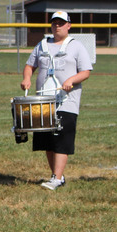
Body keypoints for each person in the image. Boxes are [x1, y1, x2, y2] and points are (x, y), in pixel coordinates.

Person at [21, 10, 92, 190]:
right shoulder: (42, 44)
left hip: (66, 101)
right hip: (44, 99)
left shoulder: (76, 46)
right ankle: (57, 176)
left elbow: (85, 72)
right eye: (54, 23)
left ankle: (56, 177)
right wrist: (27, 78)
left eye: (61, 23)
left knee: (61, 138)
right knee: (47, 140)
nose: (57, 26)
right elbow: (30, 65)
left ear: (68, 25)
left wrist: (71, 80)